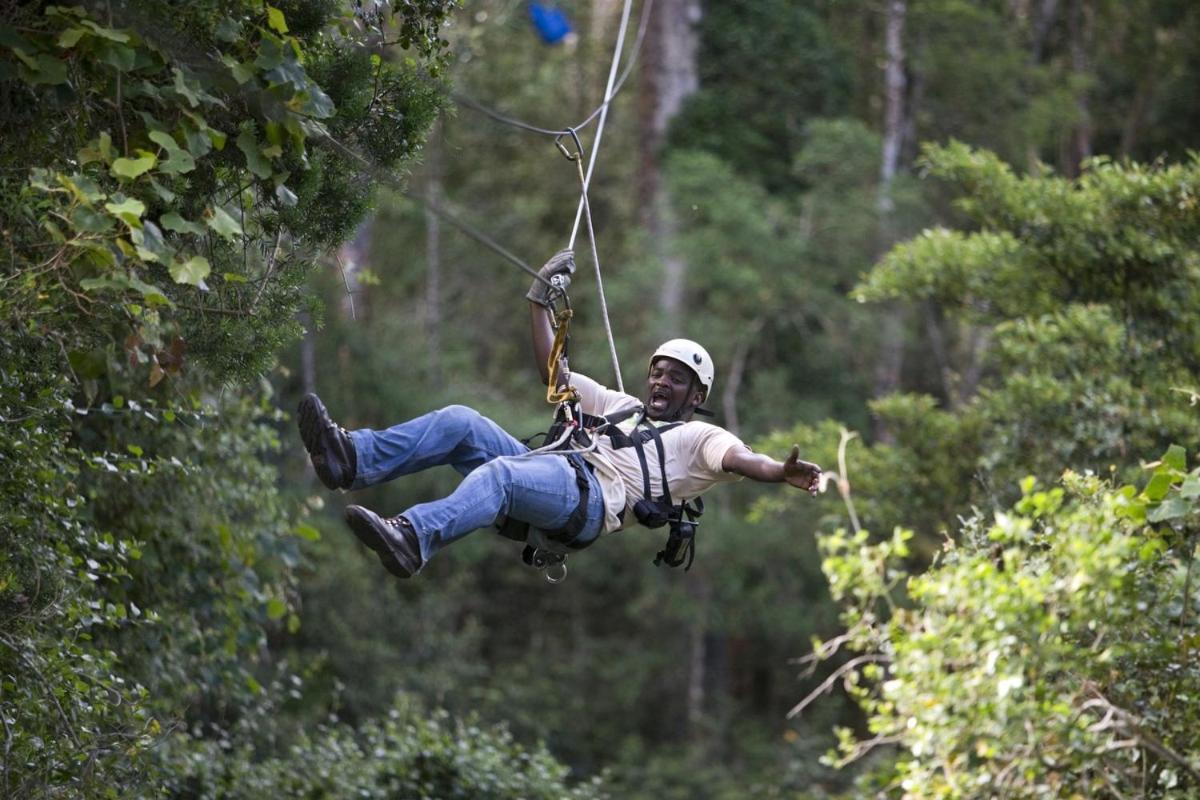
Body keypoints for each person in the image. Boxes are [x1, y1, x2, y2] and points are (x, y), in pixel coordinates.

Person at [297, 250, 822, 578]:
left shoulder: (699, 439)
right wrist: (537, 302)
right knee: (461, 421)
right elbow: (557, 375)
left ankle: (414, 538)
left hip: (591, 501)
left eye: (676, 378)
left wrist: (778, 471)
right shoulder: (622, 407)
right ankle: (352, 459)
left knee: (500, 474)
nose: (662, 382)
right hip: (554, 473)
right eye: (658, 372)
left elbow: (740, 459)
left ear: (696, 393)